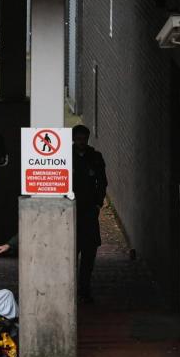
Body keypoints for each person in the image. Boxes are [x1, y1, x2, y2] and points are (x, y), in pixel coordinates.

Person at [73, 124, 107, 303]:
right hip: (71, 212)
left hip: (89, 212)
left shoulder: (95, 157)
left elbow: (102, 182)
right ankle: (71, 290)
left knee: (89, 254)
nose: (81, 142)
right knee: (71, 254)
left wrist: (97, 204)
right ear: (73, 139)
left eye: (83, 139)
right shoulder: (67, 157)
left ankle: (84, 290)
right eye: (78, 139)